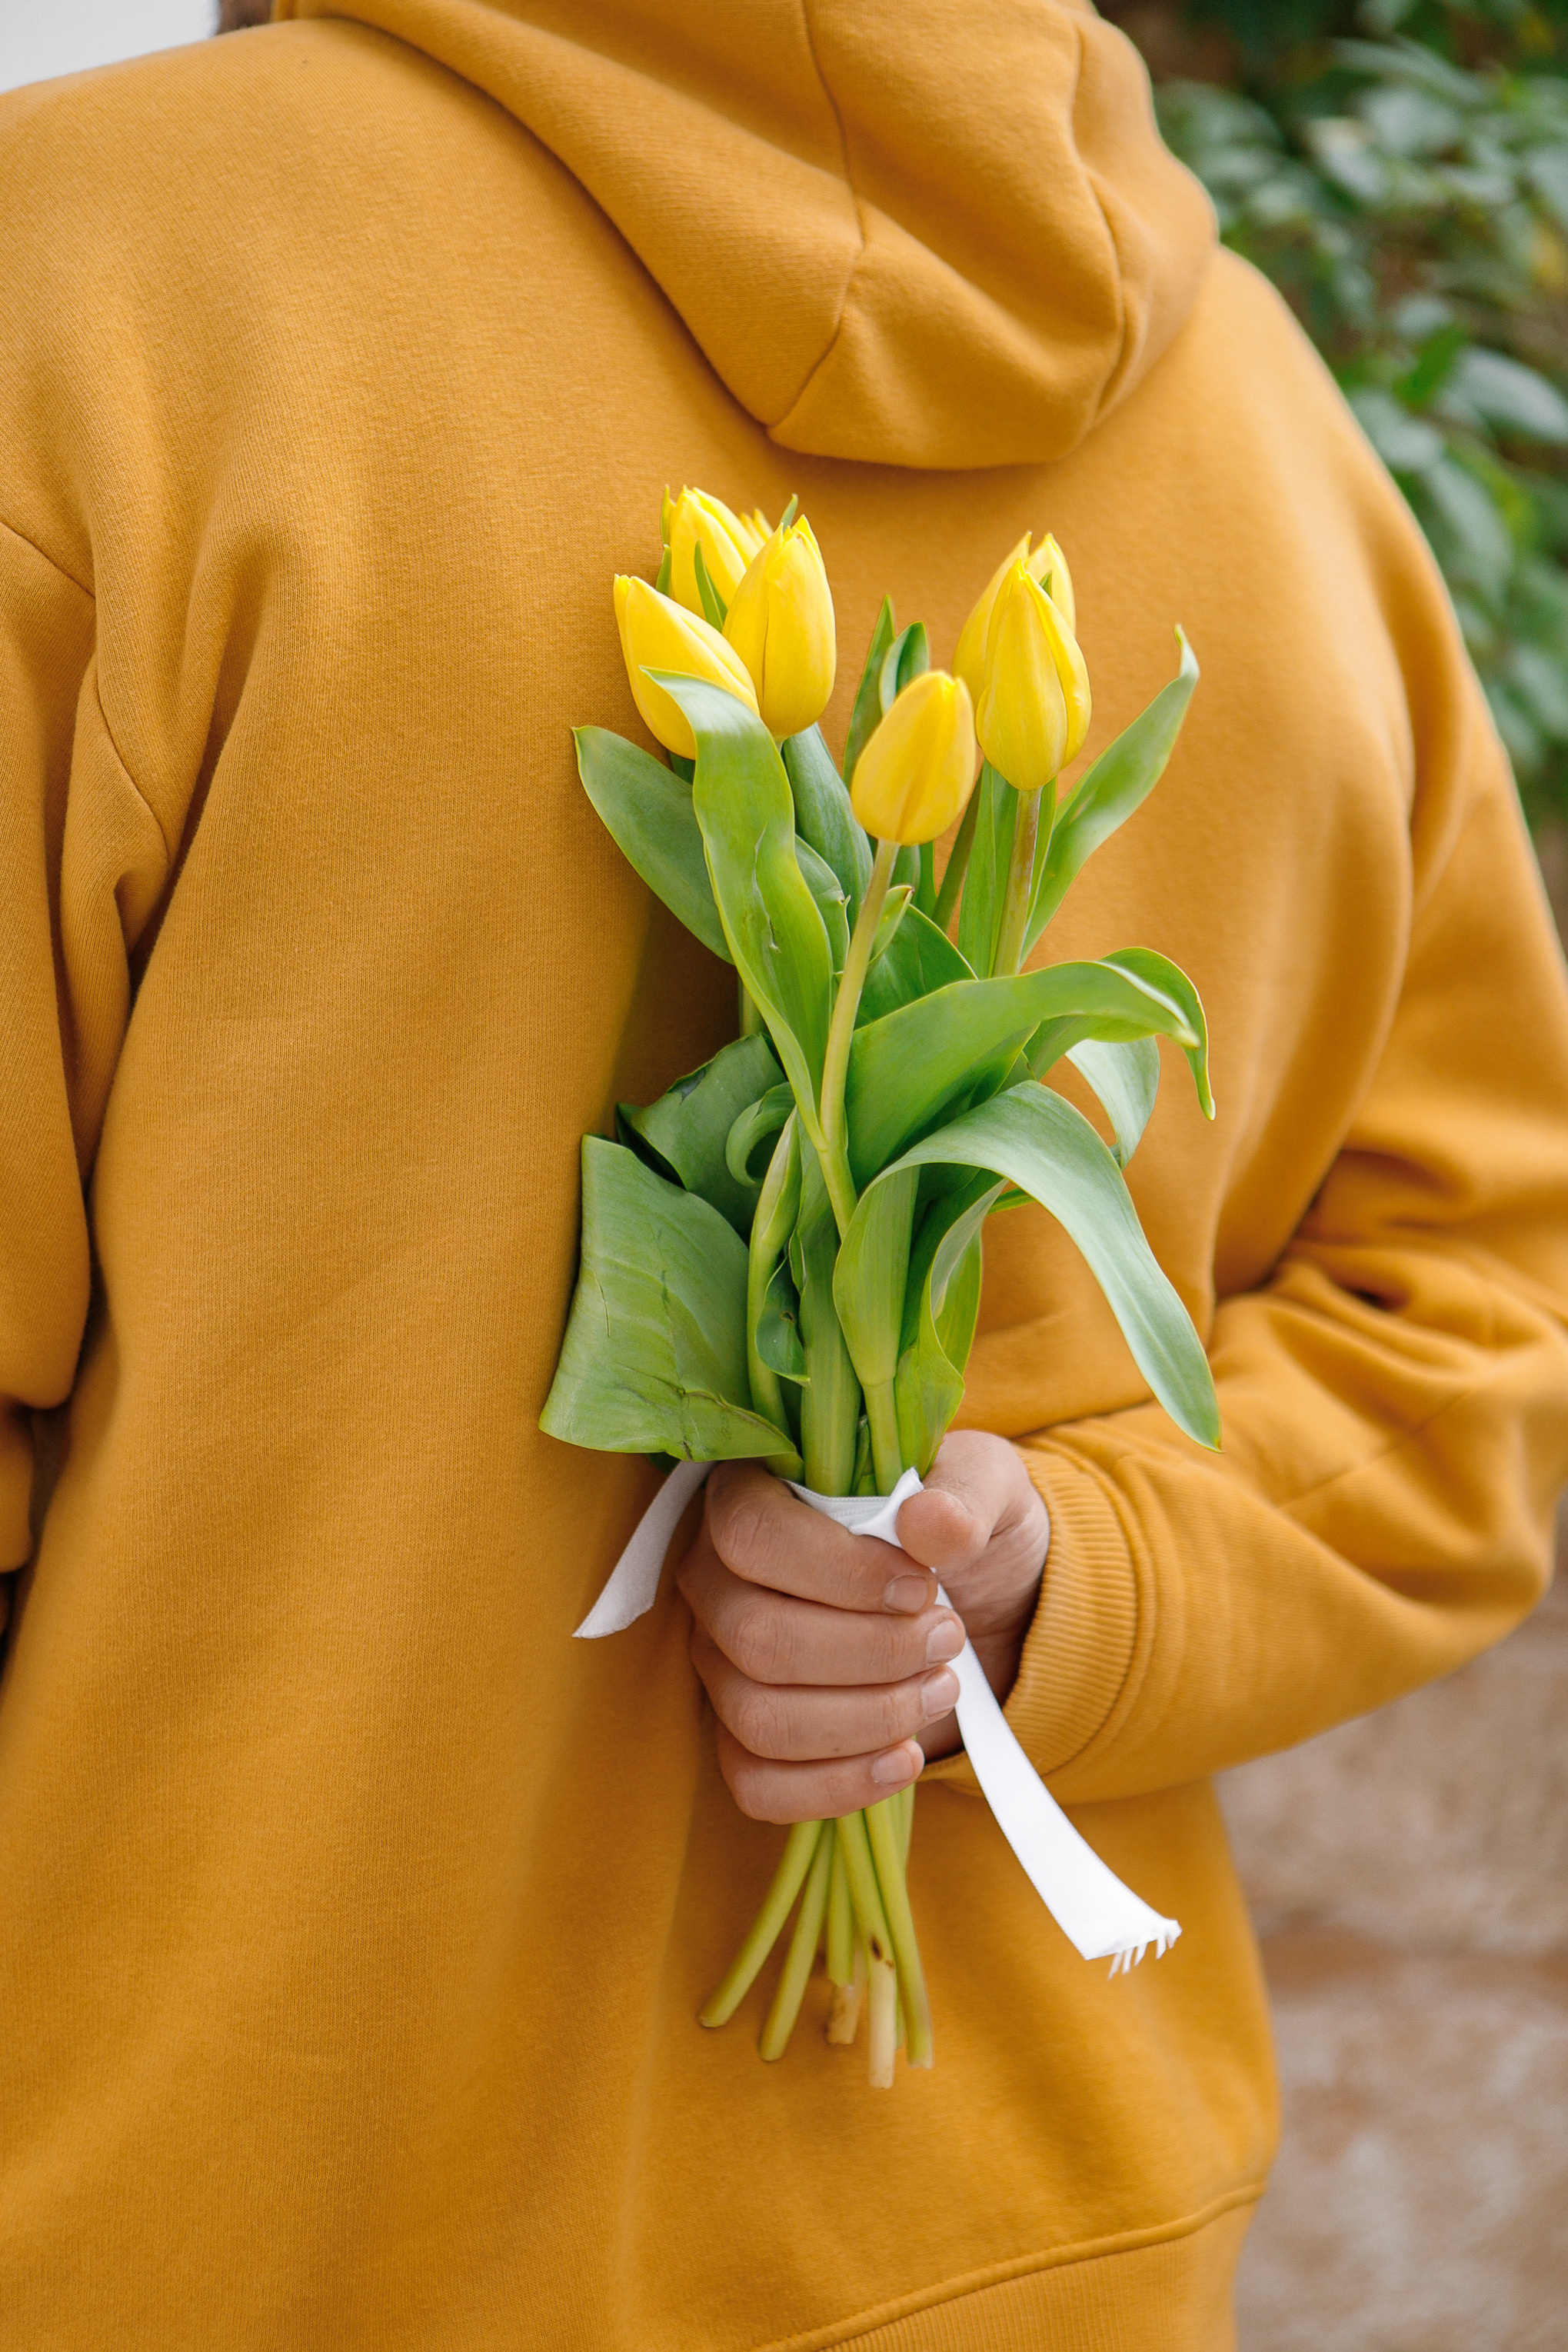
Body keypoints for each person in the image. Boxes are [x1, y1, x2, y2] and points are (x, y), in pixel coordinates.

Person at [3, 2, 1566, 2345]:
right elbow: (1488, 1310)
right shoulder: (1264, 422)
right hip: (1031, 2256)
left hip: (228, 2246)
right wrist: (1052, 1579)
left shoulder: (90, 297)